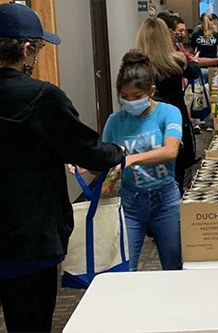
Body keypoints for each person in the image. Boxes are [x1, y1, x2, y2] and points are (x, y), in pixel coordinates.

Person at [0, 3, 124, 332]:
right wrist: (118, 151)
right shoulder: (43, 97)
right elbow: (91, 153)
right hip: (30, 241)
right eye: (37, 50)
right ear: (26, 50)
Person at [102, 50, 183, 272]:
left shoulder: (168, 113)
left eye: (137, 96)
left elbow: (170, 151)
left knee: (174, 266)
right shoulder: (115, 121)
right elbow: (106, 160)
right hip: (131, 201)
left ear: (151, 91)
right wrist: (83, 166)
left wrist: (128, 160)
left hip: (165, 199)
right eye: (124, 97)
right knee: (125, 267)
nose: (130, 101)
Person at [136, 17, 200, 195]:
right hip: (176, 122)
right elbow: (194, 72)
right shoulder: (175, 61)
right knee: (178, 174)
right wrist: (192, 60)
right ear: (166, 37)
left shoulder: (137, 64)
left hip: (147, 124)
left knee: (150, 170)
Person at [190, 12, 218, 133]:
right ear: (212, 22)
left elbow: (191, 53)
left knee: (198, 94)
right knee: (212, 95)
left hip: (199, 68)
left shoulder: (196, 35)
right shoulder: (216, 35)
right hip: (213, 69)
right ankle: (210, 123)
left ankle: (197, 122)